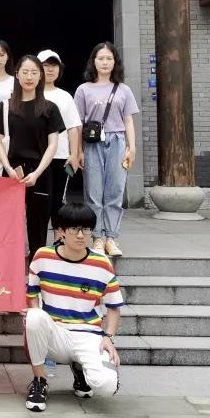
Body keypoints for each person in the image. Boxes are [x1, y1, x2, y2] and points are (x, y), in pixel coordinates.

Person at [23, 203, 122, 412]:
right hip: (55, 333)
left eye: (86, 229)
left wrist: (108, 337)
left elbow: (114, 307)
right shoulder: (43, 257)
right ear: (60, 231)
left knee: (107, 386)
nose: (80, 235)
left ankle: (80, 368)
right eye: (74, 229)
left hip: (88, 334)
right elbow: (31, 296)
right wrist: (35, 319)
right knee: (33, 317)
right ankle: (39, 380)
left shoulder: (102, 263)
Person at [0, 55, 65, 261]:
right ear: (17, 74)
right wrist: (8, 168)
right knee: (9, 223)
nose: (29, 77)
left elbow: (53, 145)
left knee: (38, 224)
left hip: (40, 172)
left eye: (34, 72)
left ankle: (36, 269)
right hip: (11, 172)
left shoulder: (49, 108)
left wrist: (38, 172)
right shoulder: (5, 107)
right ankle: (9, 268)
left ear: (40, 76)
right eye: (25, 72)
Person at [74, 42, 139, 258]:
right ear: (93, 61)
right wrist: (78, 151)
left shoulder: (124, 90)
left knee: (115, 191)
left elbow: (128, 120)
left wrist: (132, 147)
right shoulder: (83, 89)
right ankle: (97, 238)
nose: (104, 62)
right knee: (93, 193)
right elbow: (78, 124)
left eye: (109, 58)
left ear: (115, 62)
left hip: (118, 141)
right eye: (100, 58)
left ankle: (111, 237)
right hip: (92, 144)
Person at [37, 49, 83, 217]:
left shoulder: (65, 97)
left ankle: (58, 233)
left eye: (54, 65)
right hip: (35, 156)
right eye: (45, 65)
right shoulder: (30, 93)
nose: (50, 69)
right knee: (37, 201)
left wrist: (74, 154)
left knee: (57, 200)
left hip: (60, 156)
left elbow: (73, 127)